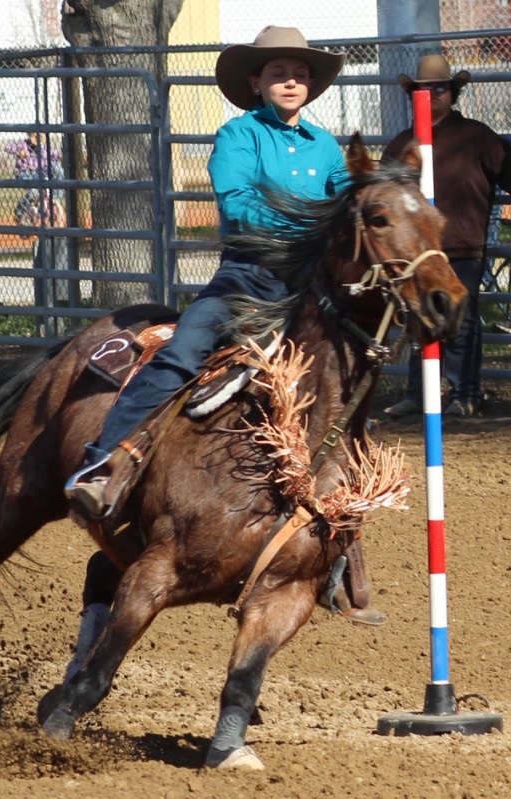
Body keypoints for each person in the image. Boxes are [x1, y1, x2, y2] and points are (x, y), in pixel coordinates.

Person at [67, 26, 384, 625]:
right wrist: (312, 225)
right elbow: (238, 203)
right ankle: (103, 463)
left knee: (348, 397)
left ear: (310, 85)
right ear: (255, 83)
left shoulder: (325, 147)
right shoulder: (238, 136)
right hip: (245, 284)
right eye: (278, 72)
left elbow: (354, 208)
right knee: (183, 354)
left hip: (304, 299)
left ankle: (338, 553)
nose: (291, 80)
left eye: (300, 73)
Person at [383, 54, 511, 419]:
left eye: (440, 87)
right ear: (414, 95)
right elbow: (382, 194)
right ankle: (419, 393)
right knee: (418, 316)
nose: (432, 93)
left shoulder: (478, 136)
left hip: (462, 245)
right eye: (424, 88)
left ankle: (464, 393)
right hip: (415, 252)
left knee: (462, 318)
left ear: (453, 93)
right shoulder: (401, 144)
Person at [7, 132, 69, 327]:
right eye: (34, 135)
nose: (36, 138)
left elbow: (58, 158)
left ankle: (55, 199)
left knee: (53, 173)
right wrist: (22, 153)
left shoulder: (46, 149)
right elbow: (8, 148)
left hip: (43, 176)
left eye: (39, 136)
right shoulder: (24, 145)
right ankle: (20, 215)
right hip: (29, 175)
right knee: (34, 190)